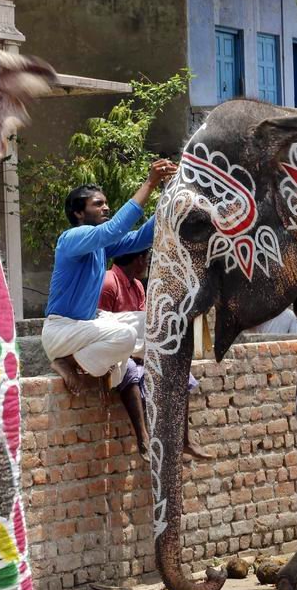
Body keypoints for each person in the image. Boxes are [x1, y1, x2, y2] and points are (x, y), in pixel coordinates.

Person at [41, 161, 174, 397]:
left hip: (87, 326)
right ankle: (69, 361)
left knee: (153, 323)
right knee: (127, 336)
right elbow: (113, 230)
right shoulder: (72, 237)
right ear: (79, 213)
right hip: (63, 332)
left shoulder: (99, 246)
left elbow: (143, 237)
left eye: (106, 203)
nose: (106, 208)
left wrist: (170, 190)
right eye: (98, 204)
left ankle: (110, 362)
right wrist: (150, 182)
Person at [98, 250, 210, 459]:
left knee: (179, 369)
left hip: (138, 350)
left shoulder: (138, 286)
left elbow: (146, 326)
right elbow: (98, 326)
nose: (147, 265)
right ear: (139, 260)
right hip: (115, 353)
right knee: (129, 369)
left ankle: (184, 439)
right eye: (147, 260)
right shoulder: (108, 284)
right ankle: (143, 437)